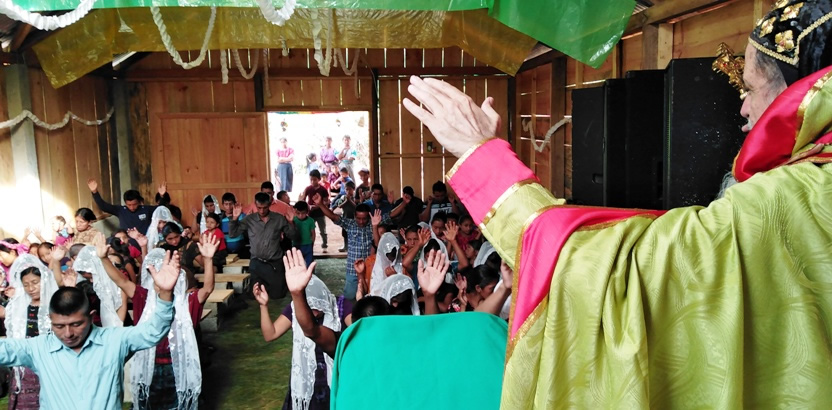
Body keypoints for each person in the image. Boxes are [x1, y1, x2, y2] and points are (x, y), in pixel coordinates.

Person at [402, 1, 832, 405]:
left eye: (751, 87)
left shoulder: (788, 199)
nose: (743, 107)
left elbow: (619, 274)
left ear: (804, 91)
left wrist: (482, 156)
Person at [0, 248, 180, 409]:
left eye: (76, 324)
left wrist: (165, 293)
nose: (68, 333)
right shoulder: (37, 348)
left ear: (91, 316)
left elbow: (153, 331)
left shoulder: (114, 340)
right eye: (59, 326)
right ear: (50, 320)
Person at [106, 235, 217, 409]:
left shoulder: (187, 302)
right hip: (148, 365)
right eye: (157, 279)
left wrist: (208, 259)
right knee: (148, 404)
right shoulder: (143, 297)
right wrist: (103, 259)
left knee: (178, 405)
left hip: (178, 365)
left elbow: (208, 288)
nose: (161, 284)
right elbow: (121, 281)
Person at [253, 248, 352, 410]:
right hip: (306, 380)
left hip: (336, 376)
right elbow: (270, 334)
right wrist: (263, 306)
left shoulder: (340, 306)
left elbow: (357, 332)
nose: (313, 314)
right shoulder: (297, 308)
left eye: (317, 307)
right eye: (309, 308)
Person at [0, 255, 58, 409]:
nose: (31, 288)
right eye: (26, 285)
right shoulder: (19, 306)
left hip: (49, 362)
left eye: (35, 283)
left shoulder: (53, 304)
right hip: (25, 364)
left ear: (44, 280)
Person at [230, 193, 297, 299]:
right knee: (255, 295)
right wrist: (235, 218)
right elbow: (233, 234)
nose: (261, 211)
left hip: (274, 263)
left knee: (278, 296)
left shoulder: (278, 218)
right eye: (259, 208)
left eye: (264, 208)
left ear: (269, 204)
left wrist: (291, 222)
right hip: (257, 262)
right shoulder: (250, 219)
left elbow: (293, 236)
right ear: (255, 205)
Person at [313, 193, 373, 300]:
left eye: (364, 219)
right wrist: (320, 204)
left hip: (369, 269)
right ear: (354, 216)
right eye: (358, 218)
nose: (361, 221)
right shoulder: (350, 224)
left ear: (369, 216)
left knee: (369, 297)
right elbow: (333, 216)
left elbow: (390, 216)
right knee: (349, 297)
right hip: (352, 270)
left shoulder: (373, 226)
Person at [87, 179, 166, 234]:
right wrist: (95, 192)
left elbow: (160, 209)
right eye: (129, 205)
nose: (132, 207)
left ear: (139, 202)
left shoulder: (146, 209)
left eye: (134, 204)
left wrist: (162, 196)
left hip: (144, 242)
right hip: (127, 244)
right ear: (125, 203)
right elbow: (103, 206)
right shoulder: (120, 210)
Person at [300, 170, 330, 250]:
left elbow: (326, 201)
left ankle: (324, 244)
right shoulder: (308, 188)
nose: (312, 181)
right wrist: (307, 206)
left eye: (315, 180)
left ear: (319, 179)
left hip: (320, 213)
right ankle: (310, 245)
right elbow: (303, 199)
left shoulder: (323, 190)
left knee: (322, 230)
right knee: (310, 230)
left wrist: (319, 205)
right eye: (311, 180)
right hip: (310, 213)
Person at [333, 181, 357, 253]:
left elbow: (357, 207)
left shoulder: (355, 197)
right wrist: (346, 201)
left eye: (350, 189)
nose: (348, 191)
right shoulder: (343, 197)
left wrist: (350, 200)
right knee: (345, 233)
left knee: (353, 233)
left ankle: (352, 246)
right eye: (347, 189)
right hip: (345, 218)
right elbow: (339, 206)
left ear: (353, 189)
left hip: (353, 219)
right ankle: (345, 246)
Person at [292, 201, 316, 268]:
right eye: (298, 213)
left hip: (308, 244)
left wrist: (312, 242)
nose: (300, 215)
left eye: (303, 213)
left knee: (309, 263)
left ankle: (310, 273)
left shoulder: (311, 221)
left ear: (307, 212)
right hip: (296, 244)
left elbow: (313, 233)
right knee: (297, 262)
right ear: (295, 212)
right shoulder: (293, 220)